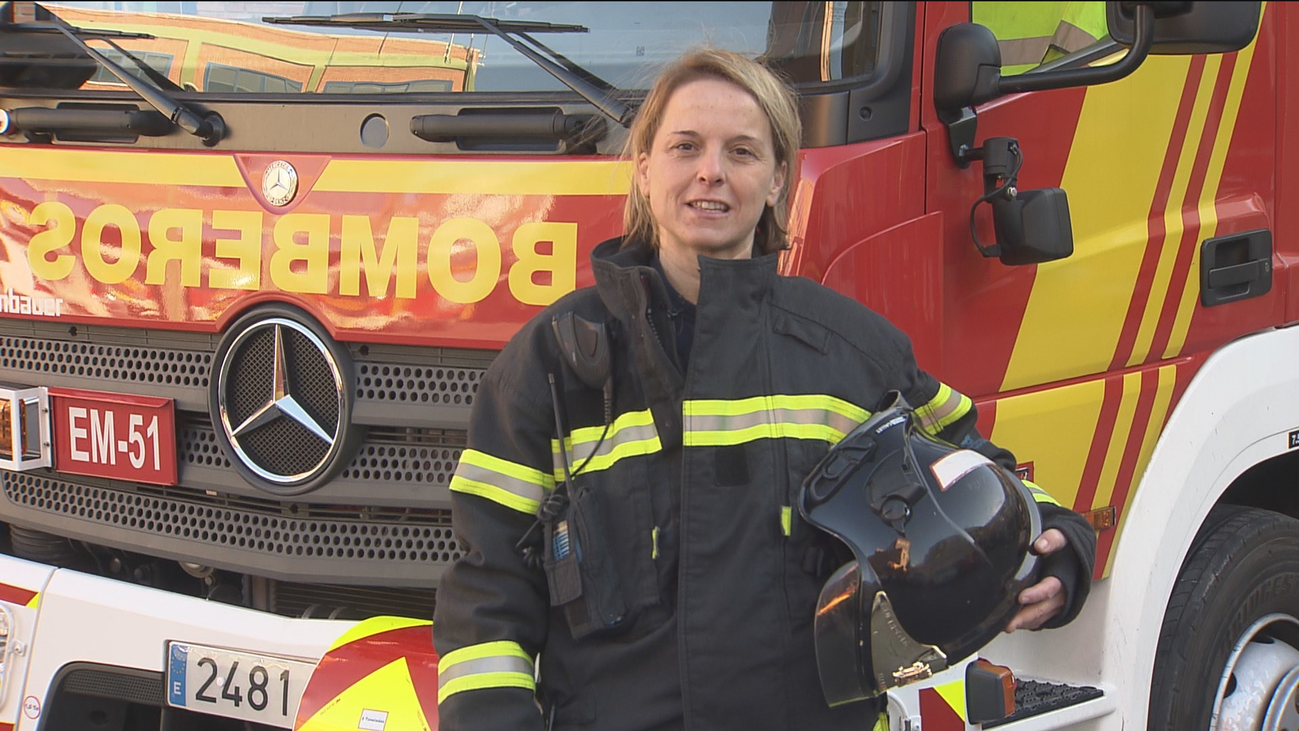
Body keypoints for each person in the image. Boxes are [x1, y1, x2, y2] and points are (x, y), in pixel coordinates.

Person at [432, 47, 1096, 731]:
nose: (710, 171)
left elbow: (975, 471)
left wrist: (1059, 542)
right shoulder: (549, 363)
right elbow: (487, 591)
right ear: (645, 169)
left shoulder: (852, 351)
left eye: (742, 152)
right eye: (685, 146)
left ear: (778, 179)